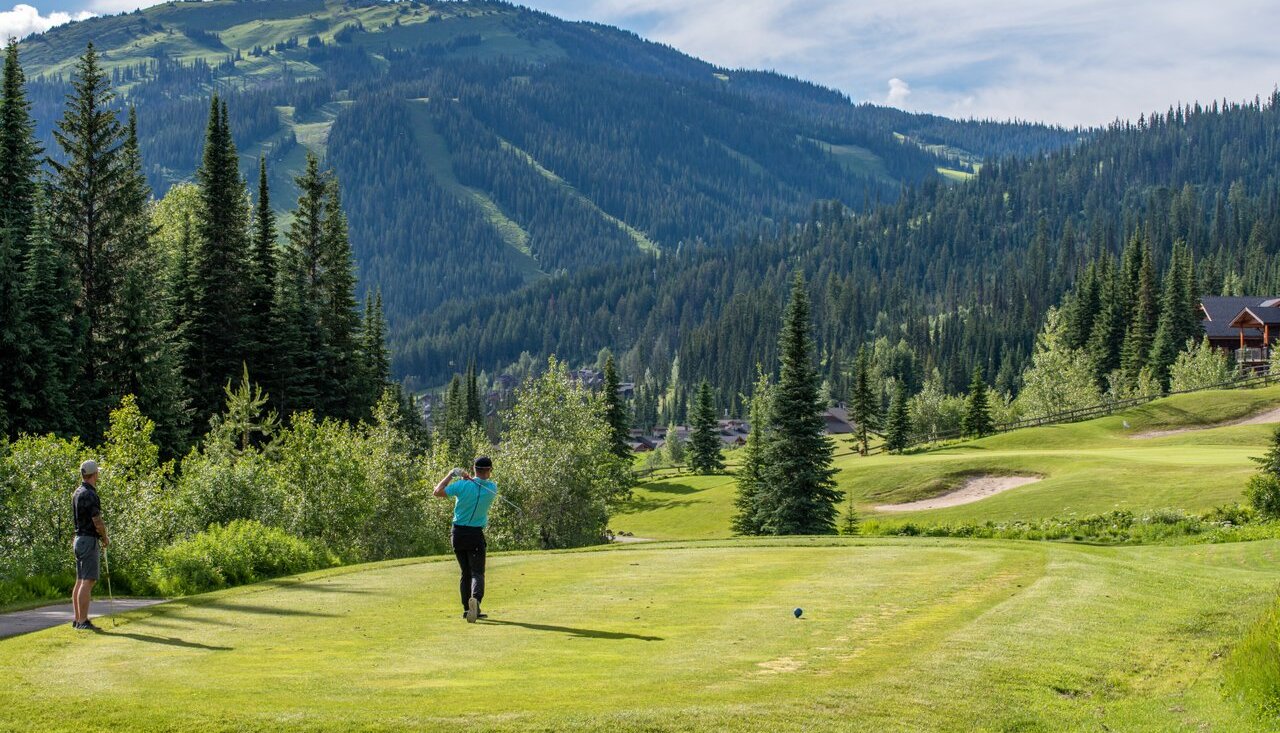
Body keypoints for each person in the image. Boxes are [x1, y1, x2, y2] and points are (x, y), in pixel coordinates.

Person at [433, 456, 498, 623]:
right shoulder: (492, 488)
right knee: (477, 572)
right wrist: (467, 480)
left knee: (465, 573)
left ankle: (467, 609)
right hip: (475, 534)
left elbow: (437, 491)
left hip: (458, 534)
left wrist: (451, 474)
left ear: (474, 469)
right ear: (488, 471)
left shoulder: (462, 485)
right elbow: (480, 485)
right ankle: (475, 600)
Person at [71, 459, 109, 631]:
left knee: (80, 580)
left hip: (78, 539)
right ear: (94, 474)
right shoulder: (91, 494)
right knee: (88, 580)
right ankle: (83, 621)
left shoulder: (77, 492)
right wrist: (104, 537)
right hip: (88, 539)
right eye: (98, 472)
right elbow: (97, 520)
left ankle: (77, 619)